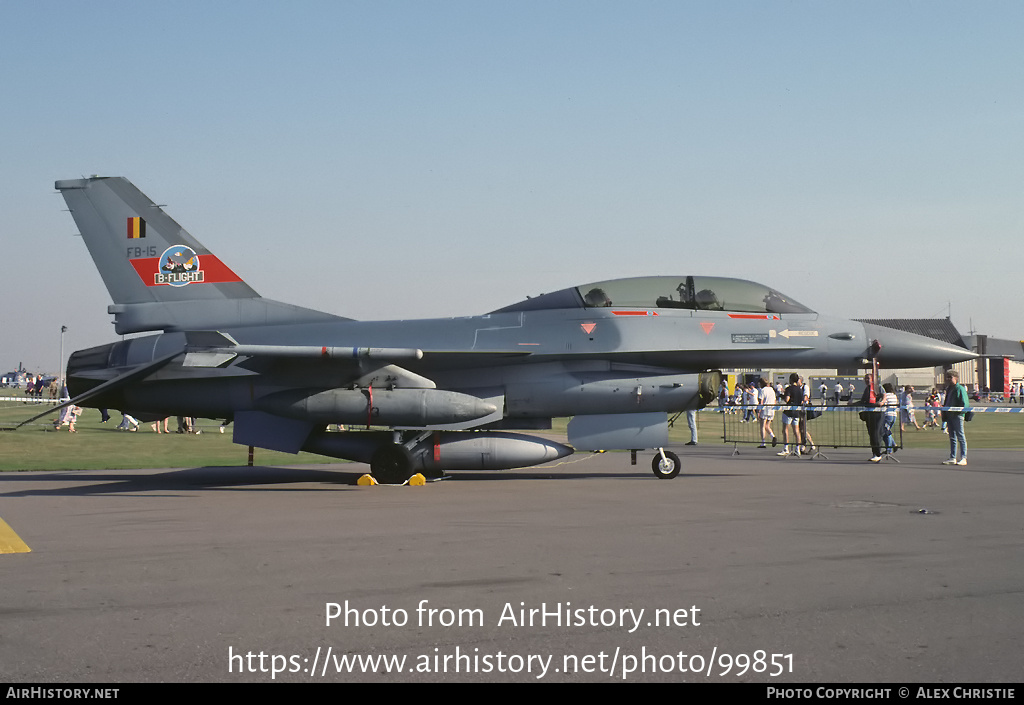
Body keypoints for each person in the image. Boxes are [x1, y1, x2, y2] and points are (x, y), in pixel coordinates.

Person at [941, 370, 969, 466]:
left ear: (956, 378)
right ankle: (953, 457)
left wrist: (960, 412)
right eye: (947, 377)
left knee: (961, 436)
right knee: (952, 437)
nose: (948, 379)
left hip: (957, 416)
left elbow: (965, 404)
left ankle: (963, 457)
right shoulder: (949, 389)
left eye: (950, 377)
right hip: (949, 415)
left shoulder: (960, 388)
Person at [854, 373, 883, 462]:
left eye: (868, 378)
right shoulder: (867, 389)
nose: (867, 380)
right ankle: (874, 453)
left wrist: (881, 402)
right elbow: (863, 401)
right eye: (865, 379)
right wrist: (853, 404)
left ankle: (878, 453)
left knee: (875, 433)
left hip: (877, 413)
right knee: (871, 434)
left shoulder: (877, 387)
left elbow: (884, 395)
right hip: (869, 414)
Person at [778, 373, 805, 456]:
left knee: (785, 430)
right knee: (796, 430)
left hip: (789, 411)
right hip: (797, 411)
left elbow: (787, 399)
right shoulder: (800, 389)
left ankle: (786, 448)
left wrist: (781, 396)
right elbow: (802, 400)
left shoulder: (789, 388)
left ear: (790, 379)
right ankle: (798, 449)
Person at [757, 378, 778, 448]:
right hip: (771, 409)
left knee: (762, 426)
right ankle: (773, 436)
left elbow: (761, 401)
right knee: (767, 426)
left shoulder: (762, 390)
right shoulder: (772, 390)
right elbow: (775, 400)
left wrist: (759, 411)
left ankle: (763, 442)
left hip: (765, 409)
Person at [879, 383, 899, 452]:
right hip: (894, 415)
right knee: (886, 431)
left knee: (886, 432)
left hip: (887, 415)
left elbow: (883, 404)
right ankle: (893, 445)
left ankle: (889, 449)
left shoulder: (886, 396)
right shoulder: (894, 396)